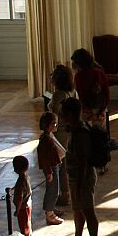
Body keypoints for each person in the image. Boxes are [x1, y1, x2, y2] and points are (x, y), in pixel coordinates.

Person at [60, 97, 100, 236]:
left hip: (82, 179)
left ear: (70, 115)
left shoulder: (81, 133)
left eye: (63, 114)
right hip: (76, 178)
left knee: (88, 211)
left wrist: (80, 184)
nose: (61, 117)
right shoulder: (77, 129)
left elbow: (83, 161)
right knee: (79, 210)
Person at [48, 64, 76, 204]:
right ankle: (67, 192)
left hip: (60, 133)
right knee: (66, 164)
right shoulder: (71, 92)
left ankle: (64, 194)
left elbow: (54, 115)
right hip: (68, 131)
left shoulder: (58, 94)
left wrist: (49, 131)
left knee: (61, 166)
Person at [36, 112, 65, 226]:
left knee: (54, 190)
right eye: (54, 123)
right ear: (47, 125)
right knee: (53, 191)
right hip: (51, 168)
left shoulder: (49, 136)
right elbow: (45, 158)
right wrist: (48, 172)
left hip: (55, 166)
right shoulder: (45, 140)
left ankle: (51, 208)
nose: (56, 125)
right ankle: (50, 214)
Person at [71, 48, 110, 124]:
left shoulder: (79, 76)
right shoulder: (99, 72)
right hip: (101, 108)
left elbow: (81, 96)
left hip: (87, 111)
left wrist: (88, 112)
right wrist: (102, 110)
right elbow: (106, 93)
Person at [10, 155, 33, 236]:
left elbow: (19, 199)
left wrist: (17, 210)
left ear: (16, 169)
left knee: (24, 224)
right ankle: (30, 235)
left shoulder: (20, 182)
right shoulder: (26, 177)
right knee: (28, 221)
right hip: (28, 203)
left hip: (23, 207)